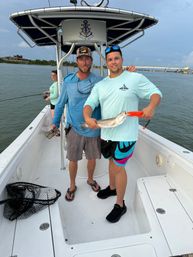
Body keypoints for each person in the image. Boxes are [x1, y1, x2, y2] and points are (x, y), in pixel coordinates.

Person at [83, 45, 162, 223]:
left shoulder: (134, 78)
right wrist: (87, 117)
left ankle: (120, 204)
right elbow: (89, 103)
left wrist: (151, 106)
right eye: (110, 59)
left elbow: (156, 93)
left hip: (126, 136)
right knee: (111, 162)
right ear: (106, 62)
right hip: (106, 134)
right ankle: (112, 188)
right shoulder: (100, 85)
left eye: (116, 58)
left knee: (119, 168)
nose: (113, 62)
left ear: (122, 59)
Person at [52, 46, 136, 201]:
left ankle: (90, 179)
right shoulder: (68, 81)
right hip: (74, 129)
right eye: (81, 58)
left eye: (87, 58)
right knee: (73, 159)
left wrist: (128, 75)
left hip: (94, 129)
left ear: (91, 61)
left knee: (92, 159)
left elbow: (116, 85)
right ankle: (72, 185)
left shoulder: (100, 81)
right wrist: (55, 122)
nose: (84, 62)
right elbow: (59, 104)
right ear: (77, 61)